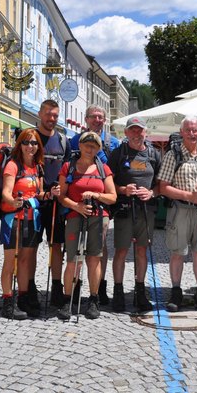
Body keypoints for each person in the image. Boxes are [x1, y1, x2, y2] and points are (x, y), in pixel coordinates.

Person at [158, 116, 197, 313]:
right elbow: (163, 187)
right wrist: (190, 196)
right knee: (177, 252)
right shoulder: (173, 155)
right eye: (188, 130)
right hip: (180, 210)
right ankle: (176, 292)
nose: (192, 134)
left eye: (195, 130)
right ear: (182, 132)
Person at [57, 131, 117, 320]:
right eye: (86, 145)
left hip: (99, 217)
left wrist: (96, 195)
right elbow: (61, 196)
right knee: (73, 259)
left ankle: (93, 299)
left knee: (94, 259)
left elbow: (113, 196)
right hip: (75, 215)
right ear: (80, 146)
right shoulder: (69, 167)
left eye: (94, 146)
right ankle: (68, 299)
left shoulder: (103, 169)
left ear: (98, 149)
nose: (90, 148)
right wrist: (77, 206)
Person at [108, 116, 161, 312]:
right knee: (121, 251)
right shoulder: (118, 154)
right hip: (124, 209)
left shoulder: (154, 154)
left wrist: (152, 192)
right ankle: (119, 292)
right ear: (127, 133)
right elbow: (107, 182)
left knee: (141, 251)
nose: (137, 134)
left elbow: (161, 184)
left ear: (145, 132)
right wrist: (123, 190)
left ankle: (140, 293)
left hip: (146, 210)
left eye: (140, 130)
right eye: (133, 130)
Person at [70, 104, 120, 305]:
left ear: (104, 120)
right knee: (77, 246)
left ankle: (100, 285)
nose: (97, 120)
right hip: (78, 202)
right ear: (86, 119)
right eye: (93, 117)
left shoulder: (113, 143)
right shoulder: (74, 140)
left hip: (103, 201)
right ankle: (75, 285)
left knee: (100, 246)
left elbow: (116, 172)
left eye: (101, 117)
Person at [0, 128, 50, 319]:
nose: (31, 146)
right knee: (10, 261)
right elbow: (6, 191)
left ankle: (23, 298)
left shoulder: (38, 166)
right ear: (19, 144)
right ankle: (7, 301)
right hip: (14, 219)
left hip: (32, 219)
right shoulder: (13, 165)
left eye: (34, 143)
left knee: (26, 261)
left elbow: (39, 193)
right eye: (27, 142)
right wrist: (12, 202)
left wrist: (50, 194)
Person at [34, 100, 69, 309]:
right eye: (48, 114)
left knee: (56, 246)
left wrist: (61, 190)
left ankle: (56, 287)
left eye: (55, 115)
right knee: (30, 247)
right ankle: (28, 287)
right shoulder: (30, 138)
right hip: (34, 201)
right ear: (40, 113)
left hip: (55, 202)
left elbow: (66, 169)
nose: (51, 118)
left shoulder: (63, 140)